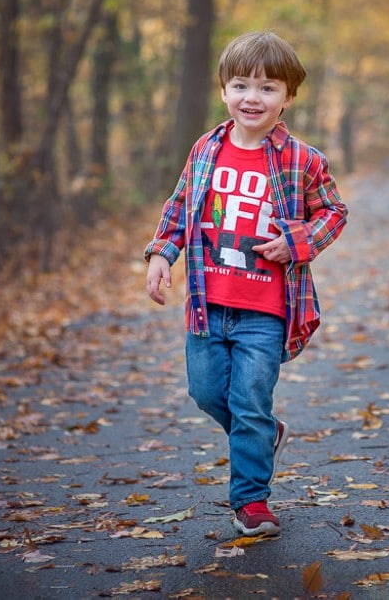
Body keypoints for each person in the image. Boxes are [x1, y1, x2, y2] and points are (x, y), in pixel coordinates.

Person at [144, 31, 348, 537]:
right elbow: (179, 208)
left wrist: (296, 241)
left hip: (266, 307)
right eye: (241, 85)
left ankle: (250, 501)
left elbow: (334, 212)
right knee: (207, 391)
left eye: (268, 88)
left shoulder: (302, 159)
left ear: (289, 98)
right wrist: (160, 254)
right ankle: (263, 435)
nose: (252, 98)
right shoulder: (205, 149)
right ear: (223, 91)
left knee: (249, 401)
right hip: (207, 303)